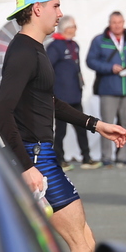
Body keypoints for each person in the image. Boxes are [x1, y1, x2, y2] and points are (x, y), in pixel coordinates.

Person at [0, 0, 126, 252]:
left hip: (40, 157)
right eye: (55, 6)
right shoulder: (23, 52)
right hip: (35, 159)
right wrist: (27, 167)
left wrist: (96, 125)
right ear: (37, 9)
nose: (60, 13)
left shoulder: (33, 49)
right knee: (80, 242)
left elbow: (48, 102)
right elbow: (2, 113)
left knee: (84, 239)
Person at [85, 12, 126, 165]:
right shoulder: (99, 40)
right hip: (108, 89)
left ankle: (124, 156)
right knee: (106, 124)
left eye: (119, 22)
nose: (117, 25)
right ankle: (107, 156)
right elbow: (90, 61)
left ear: (124, 23)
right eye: (114, 22)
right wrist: (109, 68)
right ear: (109, 23)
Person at [46, 15, 97, 168]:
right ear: (67, 28)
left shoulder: (74, 45)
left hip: (75, 94)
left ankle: (86, 157)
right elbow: (47, 68)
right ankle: (59, 159)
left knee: (82, 126)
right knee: (61, 130)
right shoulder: (55, 47)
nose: (76, 29)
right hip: (61, 96)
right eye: (74, 26)